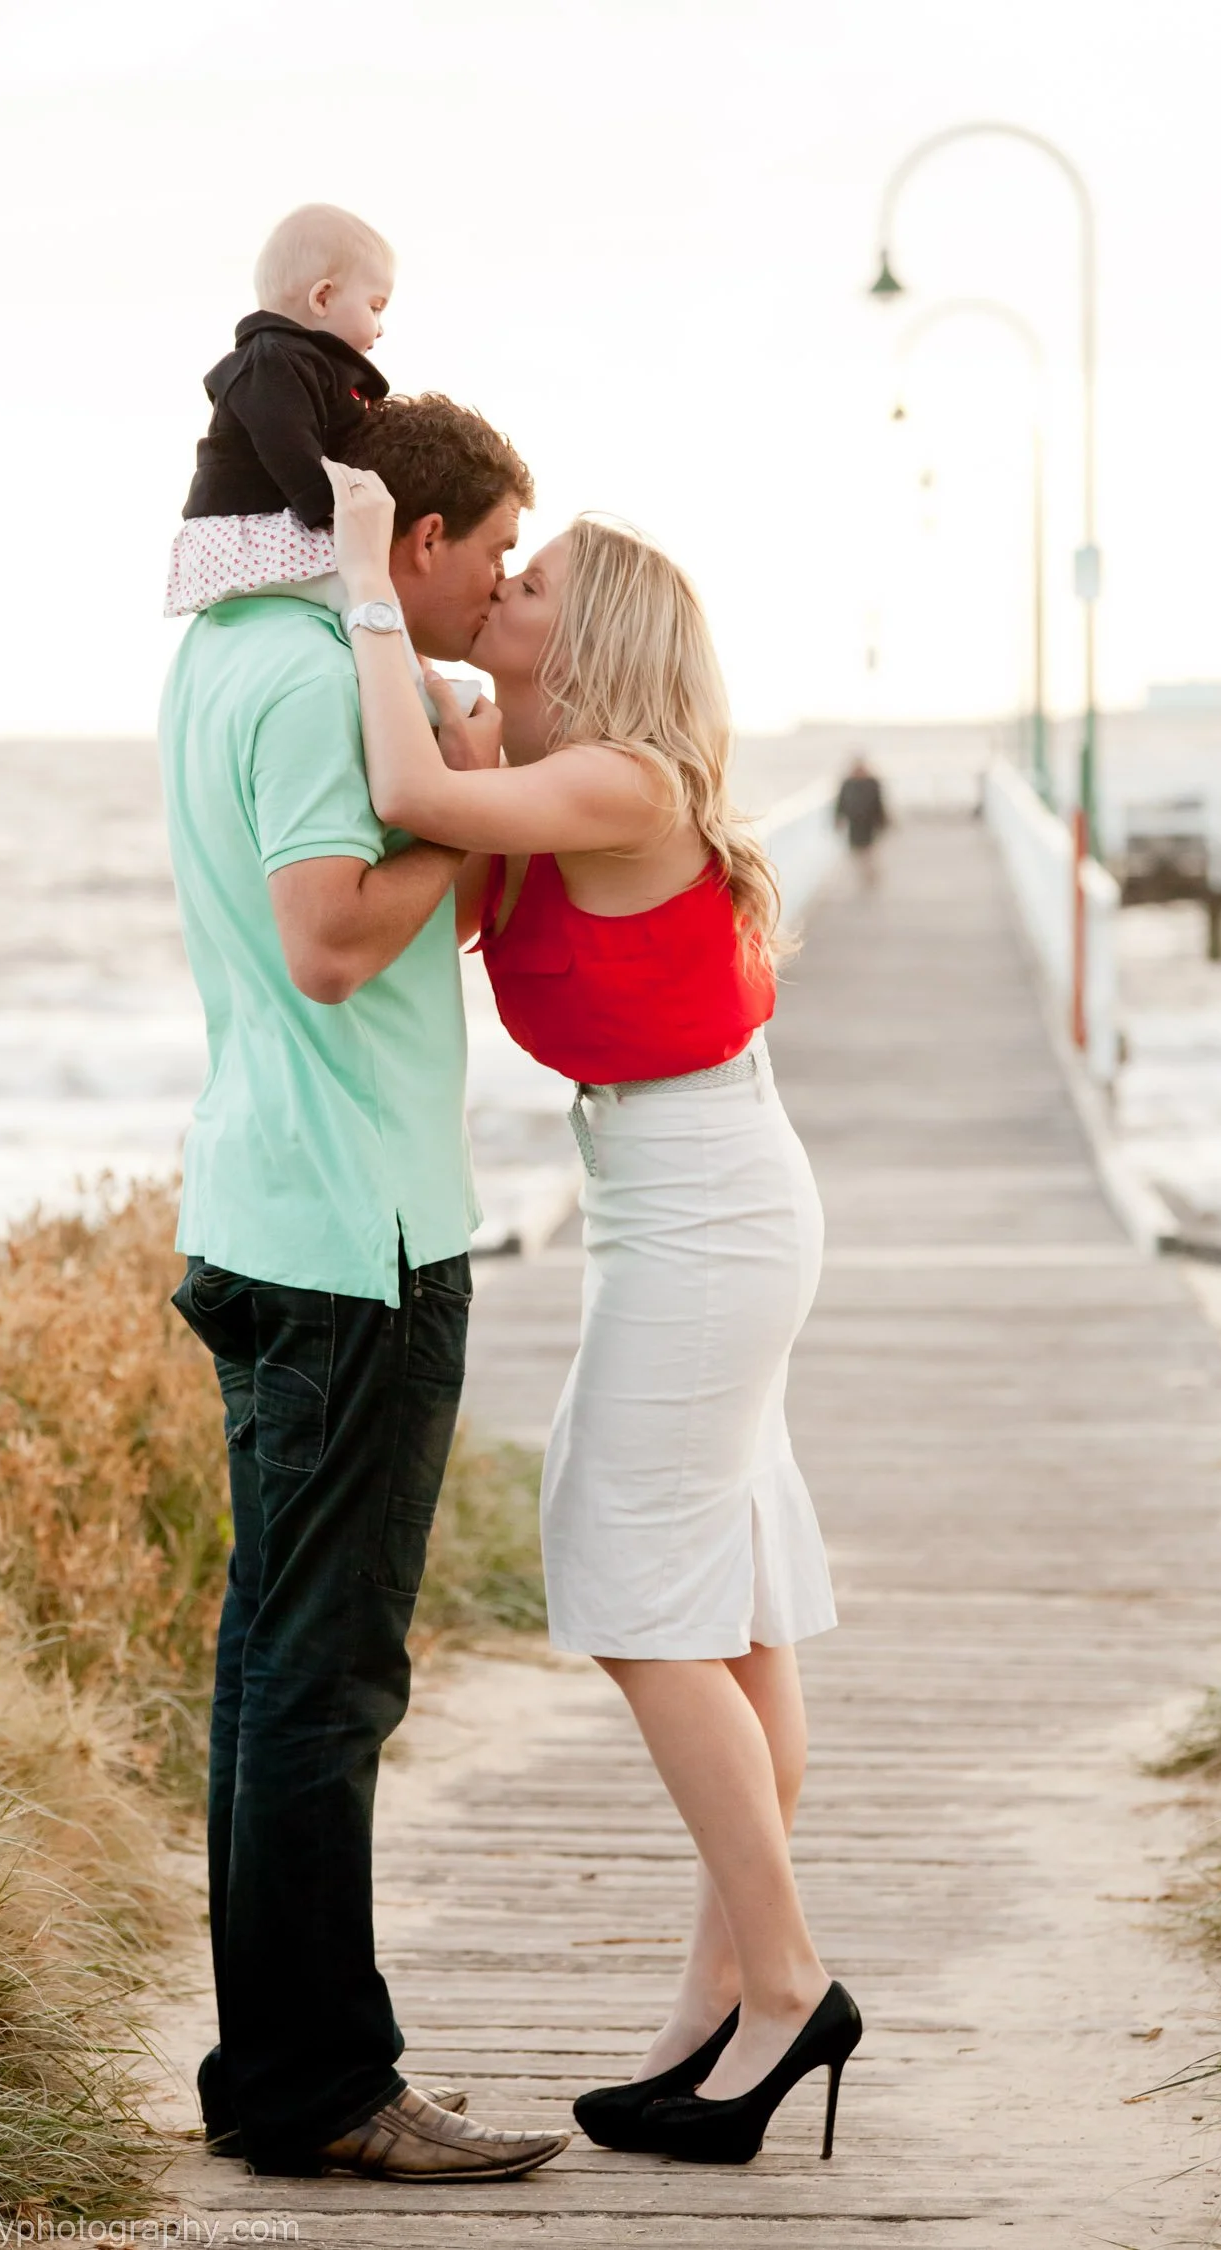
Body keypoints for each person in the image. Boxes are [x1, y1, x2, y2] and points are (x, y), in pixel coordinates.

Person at [324, 461, 863, 2171]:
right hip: (683, 1200)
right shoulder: (561, 781)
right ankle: (723, 2006)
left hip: (702, 1208)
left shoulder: (624, 783)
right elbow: (448, 851)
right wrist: (469, 718)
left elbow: (402, 782)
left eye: (532, 582)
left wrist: (358, 582)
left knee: (634, 1581)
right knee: (732, 1599)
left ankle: (784, 1981)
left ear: (597, 629)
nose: (506, 592)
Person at [160, 394, 569, 2183]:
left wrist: (459, 802)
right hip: (355, 1244)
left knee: (271, 1672)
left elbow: (380, 923)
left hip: (262, 1205)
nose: (497, 588)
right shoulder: (330, 678)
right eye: (489, 557)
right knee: (325, 1686)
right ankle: (328, 2086)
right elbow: (336, 941)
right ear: (418, 544)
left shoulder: (221, 652)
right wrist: (478, 820)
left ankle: (272, 2076)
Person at [164, 203, 394, 620]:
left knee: (377, 578)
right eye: (375, 307)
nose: (381, 327)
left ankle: (405, 672)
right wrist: (332, 508)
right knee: (368, 590)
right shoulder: (270, 360)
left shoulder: (307, 362)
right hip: (248, 534)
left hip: (274, 528)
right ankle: (410, 681)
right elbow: (285, 440)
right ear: (322, 297)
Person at [833, 753, 890, 887]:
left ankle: (871, 876)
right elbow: (840, 803)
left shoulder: (872, 783)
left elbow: (879, 803)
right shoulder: (847, 784)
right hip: (854, 823)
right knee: (856, 851)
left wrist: (883, 821)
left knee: (869, 851)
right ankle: (863, 876)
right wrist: (838, 819)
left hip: (869, 824)